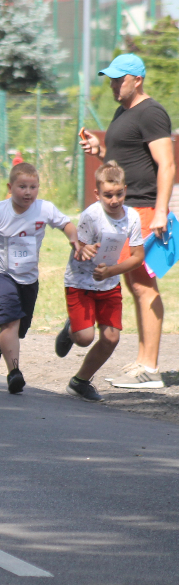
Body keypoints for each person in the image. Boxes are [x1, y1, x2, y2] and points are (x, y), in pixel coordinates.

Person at [80, 53, 175, 388]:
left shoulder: (151, 112)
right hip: (125, 211)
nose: (113, 84)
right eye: (111, 78)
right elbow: (130, 161)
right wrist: (100, 152)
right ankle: (141, 361)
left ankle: (149, 368)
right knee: (135, 286)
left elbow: (166, 164)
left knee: (142, 285)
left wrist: (161, 210)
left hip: (145, 209)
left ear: (138, 79)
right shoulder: (125, 112)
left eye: (120, 79)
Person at [0, 162, 77, 394]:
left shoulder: (45, 209)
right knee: (10, 321)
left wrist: (74, 239)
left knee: (18, 331)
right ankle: (14, 374)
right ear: (10, 187)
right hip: (0, 274)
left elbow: (67, 224)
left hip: (29, 278)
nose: (28, 192)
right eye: (22, 187)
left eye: (33, 187)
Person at [55, 162, 147, 401]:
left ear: (125, 189)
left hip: (108, 282)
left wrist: (111, 271)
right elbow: (78, 246)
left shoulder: (132, 217)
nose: (114, 200)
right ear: (98, 194)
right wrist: (85, 250)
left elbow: (138, 257)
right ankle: (71, 329)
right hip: (80, 282)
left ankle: (80, 382)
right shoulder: (91, 215)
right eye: (108, 195)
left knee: (111, 338)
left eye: (119, 194)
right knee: (84, 339)